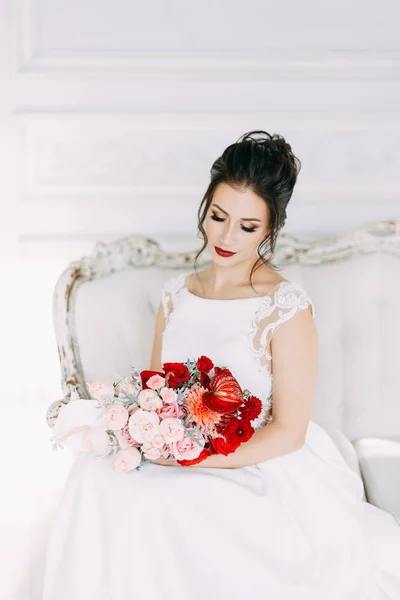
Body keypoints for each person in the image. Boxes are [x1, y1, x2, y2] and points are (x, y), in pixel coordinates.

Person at [42, 131, 400, 599]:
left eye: (248, 226)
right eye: (218, 216)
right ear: (205, 209)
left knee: (167, 501)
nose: (227, 237)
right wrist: (147, 430)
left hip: (256, 461)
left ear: (270, 230)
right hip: (178, 448)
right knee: (94, 477)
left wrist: (200, 458)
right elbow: (159, 391)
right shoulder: (175, 295)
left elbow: (289, 431)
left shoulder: (286, 306)